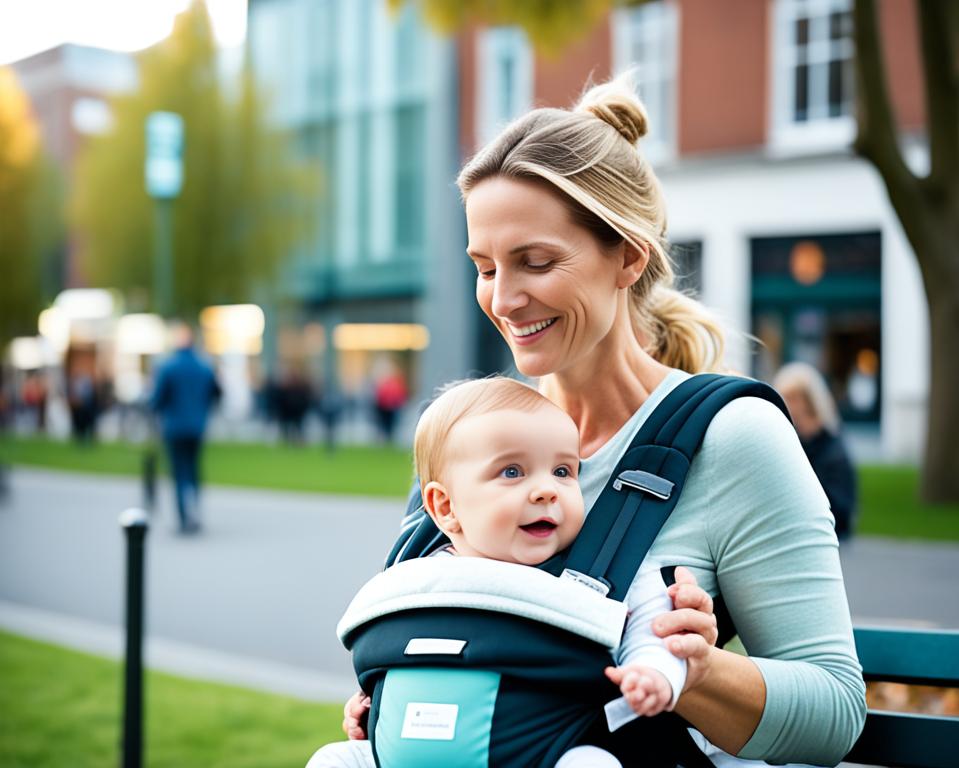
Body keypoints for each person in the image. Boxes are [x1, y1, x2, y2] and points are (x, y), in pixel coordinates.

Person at [334, 73, 865, 767]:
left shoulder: (732, 438)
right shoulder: (474, 438)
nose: (505, 299)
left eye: (536, 262)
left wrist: (693, 673)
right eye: (486, 266)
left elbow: (834, 713)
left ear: (627, 256)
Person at [312, 377, 688, 768]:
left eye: (563, 471)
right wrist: (373, 701)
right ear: (445, 507)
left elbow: (654, 625)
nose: (547, 490)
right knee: (336, 758)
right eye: (512, 472)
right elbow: (396, 654)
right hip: (412, 754)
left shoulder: (600, 571)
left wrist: (653, 672)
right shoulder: (422, 580)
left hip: (545, 751)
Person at [773, 362, 858, 540]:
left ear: (810, 401)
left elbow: (840, 510)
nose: (787, 405)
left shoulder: (832, 450)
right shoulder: (788, 440)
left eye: (793, 398)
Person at [150, 323, 221, 534]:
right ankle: (195, 509)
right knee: (193, 468)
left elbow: (157, 399)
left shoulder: (168, 366)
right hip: (197, 425)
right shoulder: (204, 366)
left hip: (174, 426)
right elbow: (216, 393)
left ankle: (184, 517)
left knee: (179, 471)